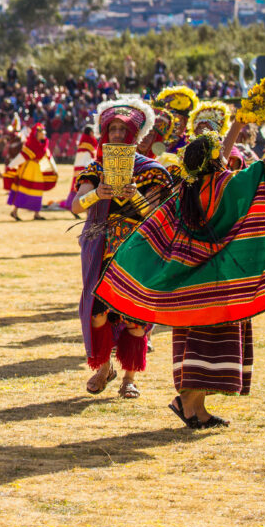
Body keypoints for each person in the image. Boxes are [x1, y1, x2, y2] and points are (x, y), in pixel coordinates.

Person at [95, 107, 265, 427]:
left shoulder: (190, 188)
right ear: (217, 161)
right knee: (213, 344)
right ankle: (190, 405)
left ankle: (195, 409)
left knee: (192, 341)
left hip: (188, 285)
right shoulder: (228, 184)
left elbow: (214, 155)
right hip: (216, 284)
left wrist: (237, 123)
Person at [71, 97, 171, 398]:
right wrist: (96, 194)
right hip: (103, 250)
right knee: (97, 313)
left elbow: (159, 215)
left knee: (136, 318)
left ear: (135, 135)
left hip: (139, 251)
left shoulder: (152, 170)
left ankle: (129, 378)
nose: (116, 134)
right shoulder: (94, 168)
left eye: (122, 129)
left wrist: (136, 196)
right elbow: (76, 206)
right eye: (111, 129)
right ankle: (103, 368)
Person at [7, 123, 58, 221]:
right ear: (37, 133)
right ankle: (14, 211)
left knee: (38, 191)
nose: (44, 133)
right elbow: (21, 157)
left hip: (36, 170)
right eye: (42, 131)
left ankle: (36, 213)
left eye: (44, 131)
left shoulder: (44, 145)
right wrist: (10, 166)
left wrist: (54, 169)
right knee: (23, 190)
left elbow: (49, 157)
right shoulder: (30, 144)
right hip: (28, 170)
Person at [153, 86, 199, 152]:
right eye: (171, 120)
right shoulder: (154, 139)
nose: (175, 124)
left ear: (185, 122)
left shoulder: (190, 144)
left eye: (179, 120)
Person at [65, 125, 97, 215]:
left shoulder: (82, 142)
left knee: (76, 187)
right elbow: (94, 156)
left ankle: (72, 205)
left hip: (77, 167)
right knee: (85, 188)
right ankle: (84, 209)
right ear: (90, 133)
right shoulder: (90, 142)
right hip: (85, 168)